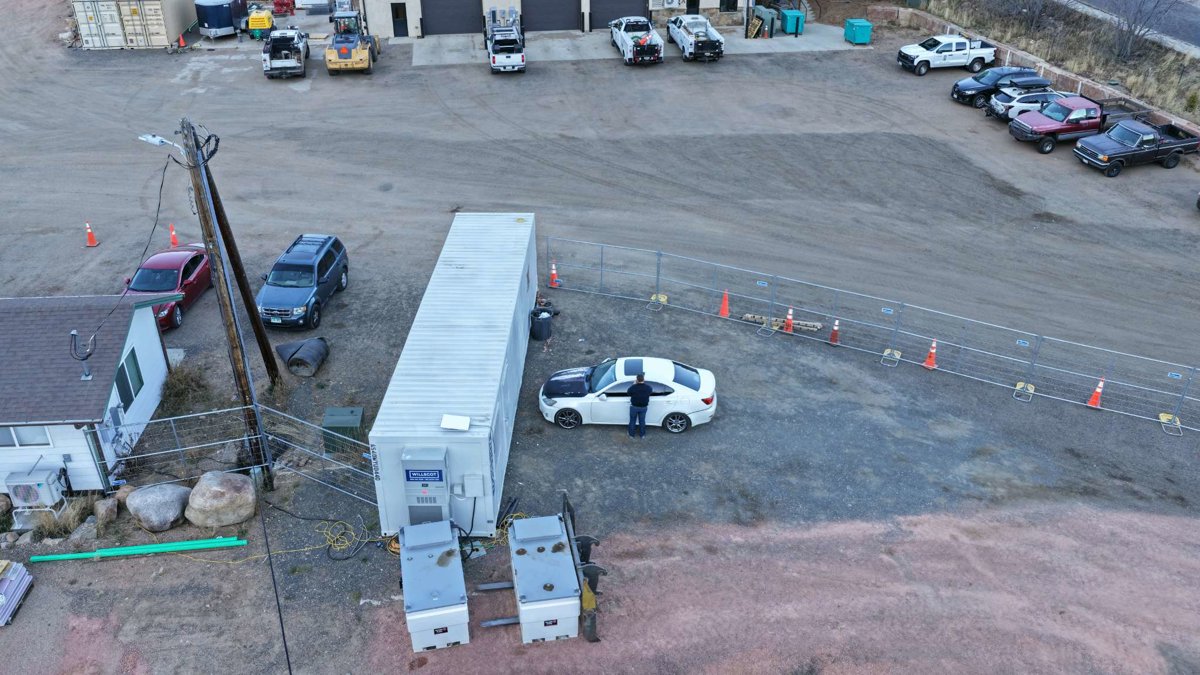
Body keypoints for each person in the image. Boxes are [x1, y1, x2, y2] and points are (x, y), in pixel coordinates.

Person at [627, 373, 653, 439]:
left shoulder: (633, 387)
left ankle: (631, 435)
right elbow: (650, 392)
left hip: (634, 407)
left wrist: (633, 384)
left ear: (636, 380)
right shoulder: (648, 388)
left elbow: (628, 393)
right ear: (644, 379)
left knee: (632, 421)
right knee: (642, 421)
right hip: (643, 407)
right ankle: (642, 435)